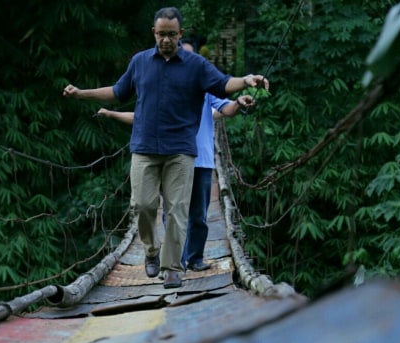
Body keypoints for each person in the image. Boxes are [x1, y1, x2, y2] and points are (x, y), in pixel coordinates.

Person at [63, 6, 269, 289]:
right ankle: (151, 251)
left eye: (172, 35)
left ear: (180, 33)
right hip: (145, 147)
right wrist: (81, 94)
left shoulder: (196, 65)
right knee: (143, 205)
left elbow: (223, 84)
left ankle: (172, 268)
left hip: (181, 150)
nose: (166, 40)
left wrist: (246, 80)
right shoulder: (140, 62)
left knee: (177, 209)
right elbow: (117, 91)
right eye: (161, 34)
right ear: (154, 33)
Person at [98, 42, 261, 274]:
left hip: (201, 158)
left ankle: (194, 258)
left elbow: (226, 107)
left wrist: (239, 100)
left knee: (198, 215)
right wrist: (111, 113)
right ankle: (175, 262)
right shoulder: (161, 85)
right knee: (173, 210)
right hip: (170, 155)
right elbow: (141, 116)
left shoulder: (205, 87)